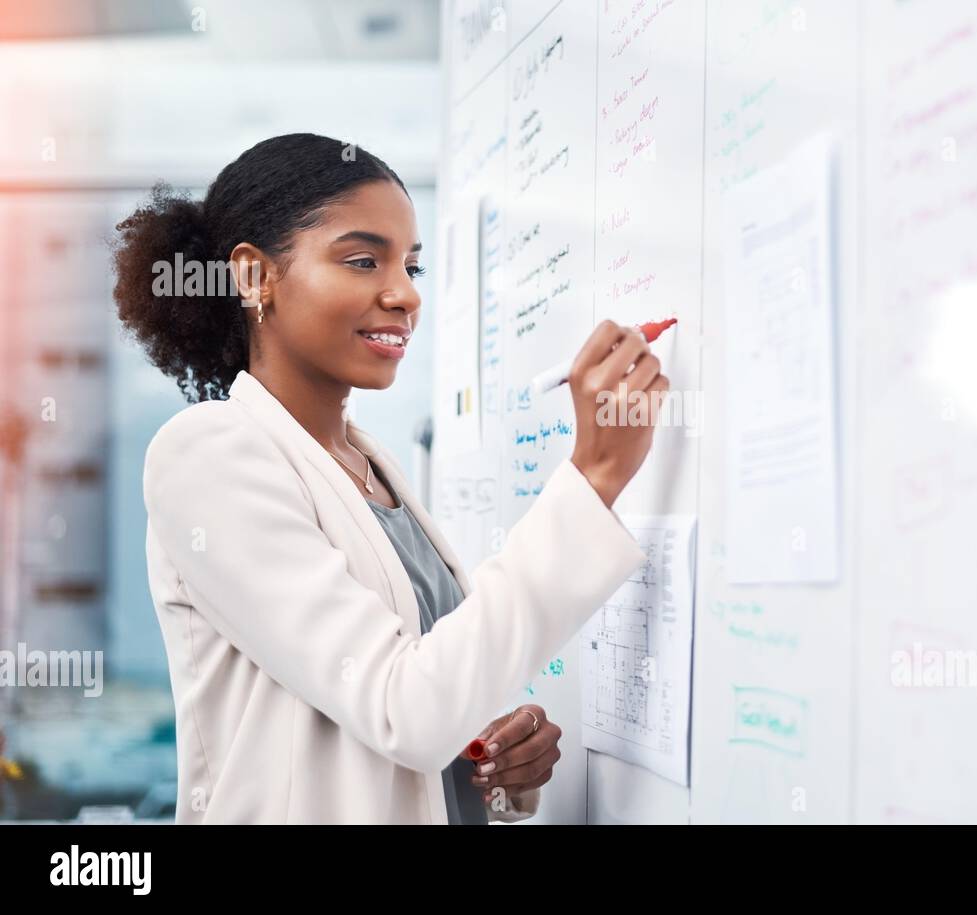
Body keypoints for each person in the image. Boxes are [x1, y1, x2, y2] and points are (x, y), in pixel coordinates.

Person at [111, 133, 668, 824]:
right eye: (363, 260)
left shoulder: (376, 466)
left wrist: (497, 764)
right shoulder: (208, 453)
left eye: (412, 266)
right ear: (254, 278)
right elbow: (405, 710)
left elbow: (421, 723)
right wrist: (594, 477)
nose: (405, 294)